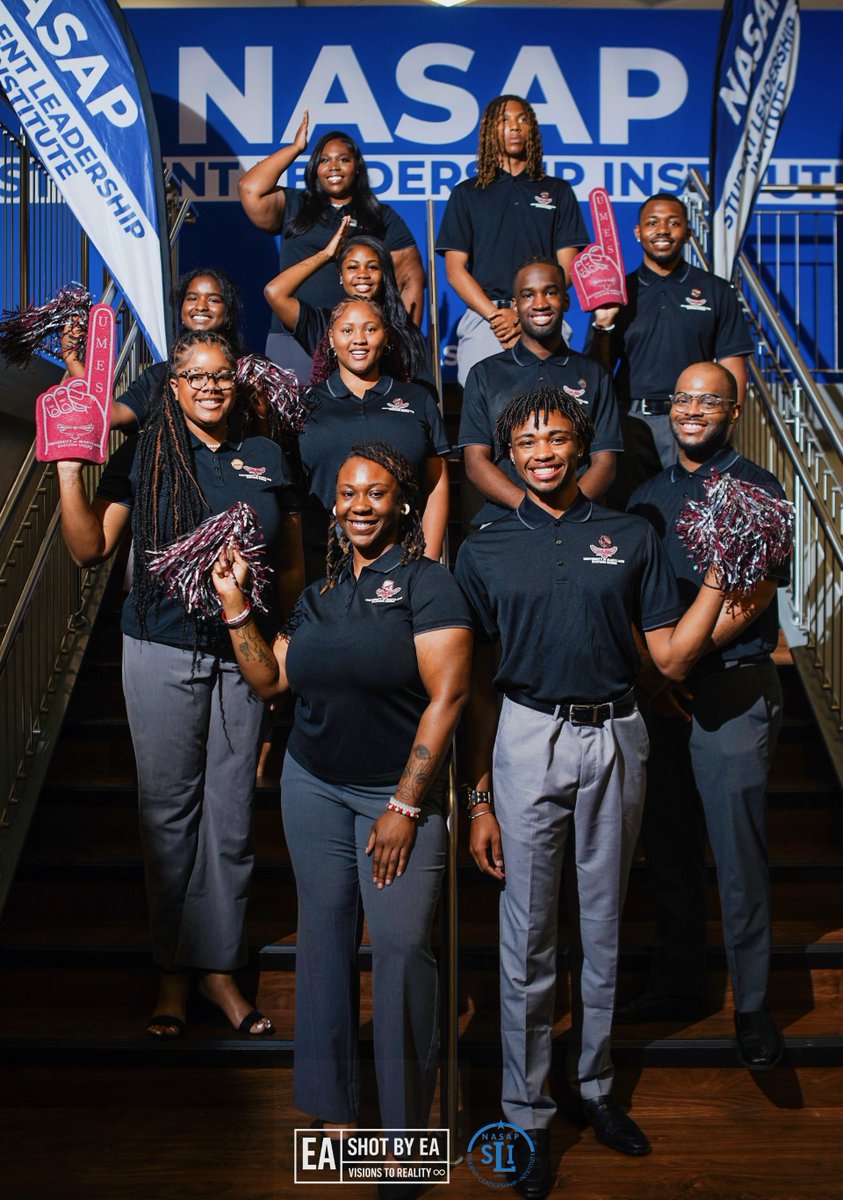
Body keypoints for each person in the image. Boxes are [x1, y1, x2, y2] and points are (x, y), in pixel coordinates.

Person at [455, 386, 733, 1199]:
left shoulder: (629, 535)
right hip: (523, 734)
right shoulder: (483, 545)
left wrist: (723, 577)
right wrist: (476, 798)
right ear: (506, 455)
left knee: (605, 924)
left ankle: (597, 1088)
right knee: (528, 935)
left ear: (582, 449)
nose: (541, 451)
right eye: (526, 441)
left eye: (556, 438)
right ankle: (527, 1111)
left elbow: (668, 658)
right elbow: (467, 683)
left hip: (616, 732)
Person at [211, 442, 472, 1189]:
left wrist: (403, 804)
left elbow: (448, 698)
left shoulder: (429, 585)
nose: (359, 505)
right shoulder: (319, 592)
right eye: (348, 493)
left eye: (376, 493)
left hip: (392, 796)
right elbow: (270, 682)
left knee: (398, 953)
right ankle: (334, 1113)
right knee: (322, 943)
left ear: (401, 504)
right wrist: (236, 607)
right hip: (313, 785)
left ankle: (405, 1130)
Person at [55, 330, 304, 1039]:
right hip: (158, 648)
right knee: (167, 818)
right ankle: (172, 973)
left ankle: (220, 971)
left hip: (242, 652)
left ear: (237, 382)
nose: (210, 387)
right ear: (171, 386)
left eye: (221, 375)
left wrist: (284, 631)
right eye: (194, 377)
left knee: (228, 821)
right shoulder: (145, 453)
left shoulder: (264, 457)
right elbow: (87, 548)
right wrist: (71, 471)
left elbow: (287, 562)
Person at [617, 361, 788, 1072]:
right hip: (662, 699)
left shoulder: (756, 486)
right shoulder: (647, 495)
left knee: (737, 854)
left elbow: (756, 597)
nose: (691, 411)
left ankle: (752, 1007)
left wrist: (679, 663)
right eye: (681, 399)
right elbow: (630, 597)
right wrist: (656, 679)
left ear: (732, 407)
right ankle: (677, 981)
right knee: (671, 848)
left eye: (706, 401)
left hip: (729, 689)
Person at [587, 193, 754, 504]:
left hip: (695, 419)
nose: (662, 230)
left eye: (673, 223)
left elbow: (732, 365)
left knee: (694, 517)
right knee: (636, 515)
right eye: (652, 223)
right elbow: (596, 371)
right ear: (637, 232)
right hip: (632, 423)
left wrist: (724, 428)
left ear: (688, 232)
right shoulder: (616, 292)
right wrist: (604, 324)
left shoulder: (716, 291)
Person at [239, 114, 425, 374]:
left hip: (353, 340)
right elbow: (249, 188)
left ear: (357, 167)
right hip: (291, 333)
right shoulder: (293, 203)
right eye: (325, 160)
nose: (334, 166)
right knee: (290, 412)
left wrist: (404, 343)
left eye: (343, 160)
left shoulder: (380, 215)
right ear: (315, 167)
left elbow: (411, 278)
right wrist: (295, 149)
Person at [435, 95, 588, 386]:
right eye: (504, 120)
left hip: (543, 314)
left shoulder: (558, 190)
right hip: (487, 319)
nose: (514, 127)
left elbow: (567, 267)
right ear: (490, 130)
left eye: (522, 119)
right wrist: (496, 316)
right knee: (486, 422)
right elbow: (455, 271)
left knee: (551, 413)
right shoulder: (467, 193)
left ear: (532, 129)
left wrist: (526, 310)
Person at [459, 257, 622, 525]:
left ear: (566, 301)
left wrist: (568, 511)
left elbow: (605, 462)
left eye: (550, 292)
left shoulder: (594, 374)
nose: (540, 303)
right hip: (506, 518)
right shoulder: (485, 374)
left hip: (578, 520)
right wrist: (528, 508)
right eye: (528, 294)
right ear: (515, 305)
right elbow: (476, 462)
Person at [300, 298, 450, 579]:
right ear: (331, 339)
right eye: (347, 331)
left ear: (386, 337)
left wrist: (426, 562)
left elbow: (436, 482)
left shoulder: (417, 398)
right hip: (322, 566)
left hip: (404, 564)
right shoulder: (304, 404)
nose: (359, 339)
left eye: (370, 329)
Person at [61, 267, 247, 430]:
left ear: (229, 314)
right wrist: (73, 361)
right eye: (191, 298)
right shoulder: (158, 375)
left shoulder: (249, 373)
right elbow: (109, 415)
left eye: (213, 300)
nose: (200, 306)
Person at [264, 217, 431, 385]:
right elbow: (274, 292)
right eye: (352, 267)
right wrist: (326, 254)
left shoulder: (403, 330)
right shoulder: (323, 322)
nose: (362, 274)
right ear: (341, 276)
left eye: (372, 267)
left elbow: (424, 395)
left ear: (384, 274)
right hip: (333, 410)